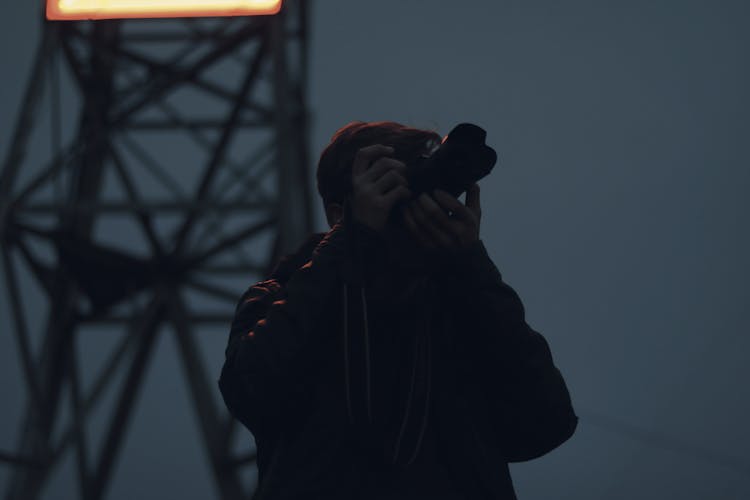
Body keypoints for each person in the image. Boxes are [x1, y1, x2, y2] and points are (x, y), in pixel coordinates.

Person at [218, 121, 578, 499]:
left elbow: (547, 424)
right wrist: (350, 242)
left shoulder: (460, 306)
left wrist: (470, 265)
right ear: (339, 214)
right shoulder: (279, 296)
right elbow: (251, 389)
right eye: (387, 188)